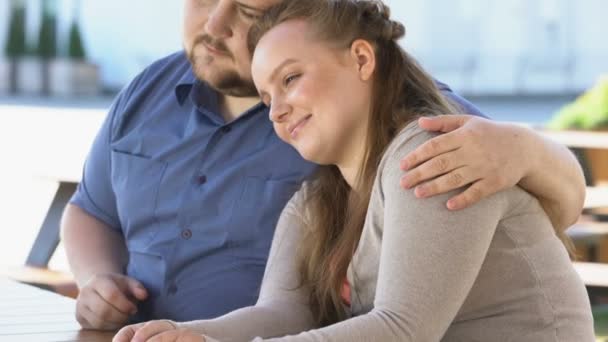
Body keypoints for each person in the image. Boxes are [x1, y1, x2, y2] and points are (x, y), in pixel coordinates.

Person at [62, 0, 586, 331]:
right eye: (268, 96)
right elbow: (284, 312)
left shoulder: (430, 148)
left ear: (359, 59)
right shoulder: (319, 193)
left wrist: (529, 148)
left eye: (245, 9)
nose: (277, 110)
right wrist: (194, 335)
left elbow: (403, 328)